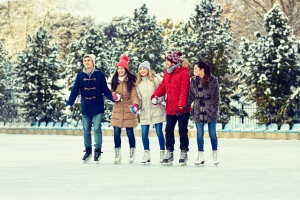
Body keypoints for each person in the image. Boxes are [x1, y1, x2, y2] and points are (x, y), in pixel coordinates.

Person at [66, 54, 114, 163]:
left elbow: (105, 90)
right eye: (85, 60)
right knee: (86, 130)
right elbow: (74, 91)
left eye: (89, 60)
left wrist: (113, 98)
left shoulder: (100, 75)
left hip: (97, 105)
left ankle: (97, 150)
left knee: (97, 128)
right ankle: (88, 150)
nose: (87, 62)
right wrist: (69, 104)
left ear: (93, 62)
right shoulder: (80, 76)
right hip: (86, 106)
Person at [151, 52, 191, 166]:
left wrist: (181, 106)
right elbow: (163, 87)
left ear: (173, 62)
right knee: (168, 130)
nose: (166, 63)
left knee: (182, 130)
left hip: (182, 109)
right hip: (170, 107)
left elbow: (184, 91)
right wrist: (155, 96)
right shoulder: (167, 73)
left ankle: (184, 152)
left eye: (167, 61)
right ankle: (169, 151)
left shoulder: (184, 73)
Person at [186, 61, 220, 166]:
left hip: (210, 109)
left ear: (202, 69)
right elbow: (191, 95)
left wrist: (214, 110)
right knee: (199, 134)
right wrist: (184, 106)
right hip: (197, 108)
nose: (194, 70)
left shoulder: (213, 80)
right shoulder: (193, 81)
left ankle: (215, 154)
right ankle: (200, 155)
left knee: (212, 133)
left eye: (196, 68)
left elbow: (216, 97)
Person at [110, 55, 140, 164]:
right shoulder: (114, 80)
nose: (120, 70)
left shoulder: (131, 81)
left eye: (122, 68)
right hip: (117, 109)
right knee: (116, 132)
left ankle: (132, 152)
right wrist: (114, 96)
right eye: (118, 68)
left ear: (125, 69)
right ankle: (117, 154)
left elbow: (134, 95)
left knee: (130, 132)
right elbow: (111, 91)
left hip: (128, 109)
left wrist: (136, 105)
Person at [136, 61, 166, 164]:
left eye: (144, 69)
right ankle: (146, 153)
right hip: (145, 110)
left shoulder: (156, 80)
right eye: (140, 69)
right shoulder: (138, 83)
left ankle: (162, 152)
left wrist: (157, 100)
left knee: (159, 132)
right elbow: (138, 98)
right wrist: (136, 106)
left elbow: (162, 93)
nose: (142, 71)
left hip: (156, 108)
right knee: (144, 133)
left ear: (148, 70)